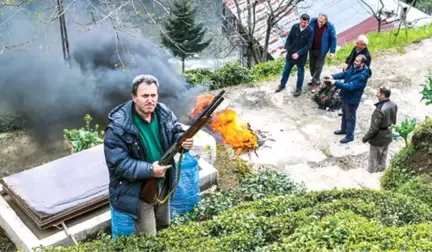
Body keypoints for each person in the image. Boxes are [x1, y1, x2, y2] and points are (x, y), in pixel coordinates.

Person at [104, 74, 194, 236]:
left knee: (164, 225)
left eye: (153, 95)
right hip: (139, 189)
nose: (150, 100)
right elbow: (117, 164)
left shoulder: (164, 113)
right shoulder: (117, 127)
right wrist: (150, 170)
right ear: (134, 98)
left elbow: (176, 133)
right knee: (148, 237)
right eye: (145, 95)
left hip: (163, 182)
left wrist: (184, 144)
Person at [329, 54, 372, 143]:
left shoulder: (362, 76)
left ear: (362, 63)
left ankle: (350, 135)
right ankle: (343, 129)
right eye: (355, 60)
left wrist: (335, 83)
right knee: (344, 113)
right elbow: (345, 74)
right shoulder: (354, 67)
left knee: (350, 117)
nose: (354, 62)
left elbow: (350, 87)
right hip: (346, 96)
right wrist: (333, 76)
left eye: (357, 61)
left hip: (352, 99)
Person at [276, 13, 314, 97]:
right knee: (286, 70)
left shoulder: (310, 31)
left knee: (300, 73)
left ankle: (298, 88)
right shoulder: (295, 27)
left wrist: (298, 53)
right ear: (300, 20)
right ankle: (282, 84)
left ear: (308, 22)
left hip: (301, 56)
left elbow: (308, 45)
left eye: (305, 23)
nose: (303, 24)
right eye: (302, 22)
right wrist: (287, 48)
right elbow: (289, 38)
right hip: (291, 53)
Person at [362, 87, 398, 173]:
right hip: (388, 135)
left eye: (378, 93)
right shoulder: (393, 104)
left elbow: (374, 129)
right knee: (383, 156)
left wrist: (365, 138)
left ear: (383, 95)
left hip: (378, 138)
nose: (376, 94)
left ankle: (371, 176)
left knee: (373, 160)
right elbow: (394, 120)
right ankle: (381, 173)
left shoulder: (379, 109)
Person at [308, 13, 337, 92]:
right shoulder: (313, 21)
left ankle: (315, 83)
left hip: (322, 50)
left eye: (322, 22)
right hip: (312, 48)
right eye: (319, 21)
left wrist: (332, 51)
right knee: (312, 66)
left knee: (318, 67)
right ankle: (314, 78)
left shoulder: (330, 27)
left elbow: (333, 39)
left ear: (326, 21)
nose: (320, 23)